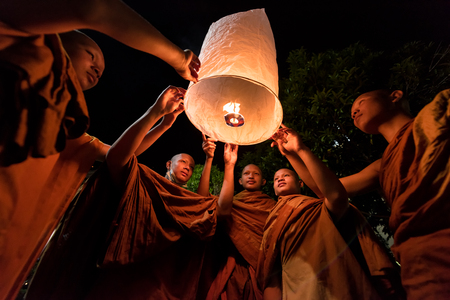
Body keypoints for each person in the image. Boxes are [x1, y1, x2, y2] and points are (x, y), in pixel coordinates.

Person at [26, 86, 238, 300]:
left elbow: (204, 209)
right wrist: (160, 118)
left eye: (191, 166)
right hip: (122, 282)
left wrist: (213, 159)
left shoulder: (183, 201)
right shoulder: (145, 183)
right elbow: (118, 159)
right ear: (168, 164)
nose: (187, 167)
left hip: (161, 288)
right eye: (183, 161)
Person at [257, 125, 405, 300]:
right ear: (272, 189)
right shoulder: (272, 221)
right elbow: (272, 275)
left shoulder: (317, 208)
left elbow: (334, 194)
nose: (280, 178)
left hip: (337, 284)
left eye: (286, 176)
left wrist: (298, 150)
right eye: (276, 178)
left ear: (301, 183)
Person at [339, 89, 450, 299]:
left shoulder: (438, 113)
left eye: (360, 102)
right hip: (421, 257)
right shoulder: (382, 166)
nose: (354, 113)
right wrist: (297, 150)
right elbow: (332, 192)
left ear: (395, 96)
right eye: (352, 113)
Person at [197, 134, 276, 300]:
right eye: (247, 173)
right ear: (239, 181)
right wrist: (217, 161)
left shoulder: (273, 206)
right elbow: (202, 203)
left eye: (256, 174)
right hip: (232, 266)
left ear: (263, 182)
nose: (251, 176)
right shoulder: (232, 202)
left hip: (263, 267)